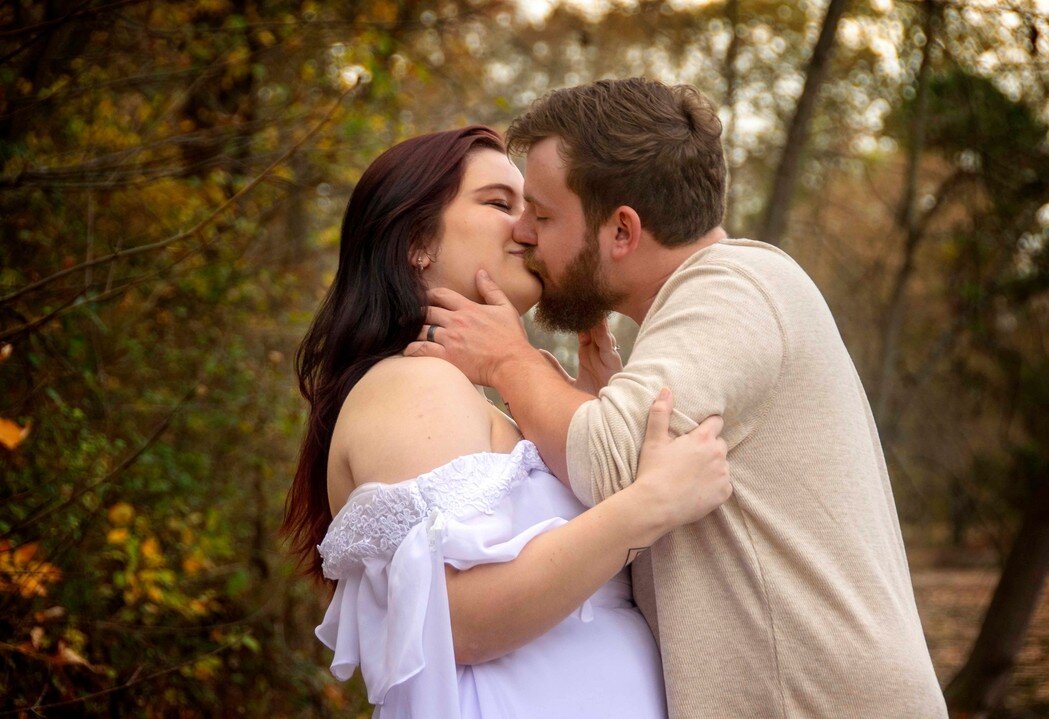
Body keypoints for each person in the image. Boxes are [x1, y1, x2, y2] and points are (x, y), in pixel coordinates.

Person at [406, 79, 949, 718]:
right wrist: (592, 398)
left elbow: (609, 463)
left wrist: (510, 360)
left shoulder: (737, 287)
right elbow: (638, 494)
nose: (524, 233)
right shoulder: (710, 306)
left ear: (622, 232)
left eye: (544, 215)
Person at [280, 125, 734, 719]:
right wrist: (647, 507)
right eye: (499, 203)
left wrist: (595, 415)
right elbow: (457, 623)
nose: (528, 228)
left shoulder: (470, 397)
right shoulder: (414, 381)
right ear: (416, 240)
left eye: (533, 210)